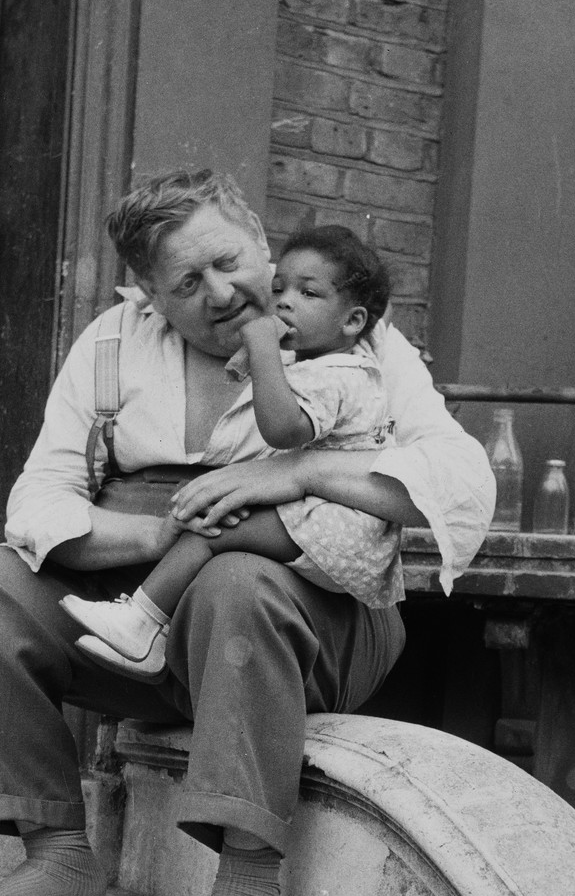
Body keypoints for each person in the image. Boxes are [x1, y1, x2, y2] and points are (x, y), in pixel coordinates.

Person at [0, 169, 494, 896]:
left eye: (229, 261)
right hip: (147, 618)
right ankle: (57, 854)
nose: (221, 292)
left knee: (236, 582)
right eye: (187, 281)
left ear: (261, 244)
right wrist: (170, 535)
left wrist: (299, 476)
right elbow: (36, 504)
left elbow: (460, 482)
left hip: (312, 623)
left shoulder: (356, 342)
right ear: (148, 293)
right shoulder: (112, 347)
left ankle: (250, 890)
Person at [59, 224, 403, 681]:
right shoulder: (333, 364)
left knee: (215, 526)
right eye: (280, 288)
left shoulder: (338, 374)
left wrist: (260, 346)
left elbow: (283, 431)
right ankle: (149, 632)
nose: (284, 302)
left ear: (353, 321)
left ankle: (142, 623)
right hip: (339, 526)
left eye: (308, 293)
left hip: (337, 526)